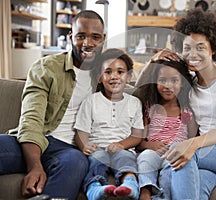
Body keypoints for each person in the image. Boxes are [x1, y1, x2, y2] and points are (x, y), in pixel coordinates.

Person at [136, 8, 216, 200]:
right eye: (187, 48)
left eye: (200, 47)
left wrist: (189, 145)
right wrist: (153, 61)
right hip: (212, 159)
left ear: (213, 49)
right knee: (177, 175)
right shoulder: (188, 85)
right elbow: (139, 92)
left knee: (182, 154)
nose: (192, 54)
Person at [0, 10, 106, 200]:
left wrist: (155, 62)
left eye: (95, 37)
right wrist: (35, 166)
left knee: (76, 162)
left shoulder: (107, 74)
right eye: (81, 36)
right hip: (33, 140)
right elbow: (31, 118)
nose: (88, 43)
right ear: (71, 37)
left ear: (103, 39)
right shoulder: (47, 67)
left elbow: (139, 90)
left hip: (68, 151)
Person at [74, 48, 144, 200]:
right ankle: (95, 188)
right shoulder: (91, 101)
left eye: (120, 72)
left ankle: (130, 184)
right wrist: (84, 145)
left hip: (123, 148)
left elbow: (137, 135)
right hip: (98, 148)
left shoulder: (134, 103)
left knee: (126, 158)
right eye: (108, 72)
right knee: (97, 159)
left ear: (129, 76)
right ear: (100, 77)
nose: (114, 76)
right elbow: (81, 132)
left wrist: (121, 145)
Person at [133, 59, 198, 200]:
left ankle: (163, 196)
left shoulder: (185, 112)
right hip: (152, 151)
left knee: (171, 170)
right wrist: (149, 145)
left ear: (182, 84)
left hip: (173, 154)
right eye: (163, 80)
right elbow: (139, 140)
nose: (168, 86)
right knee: (145, 158)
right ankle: (145, 191)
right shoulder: (150, 108)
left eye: (174, 81)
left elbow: (192, 139)